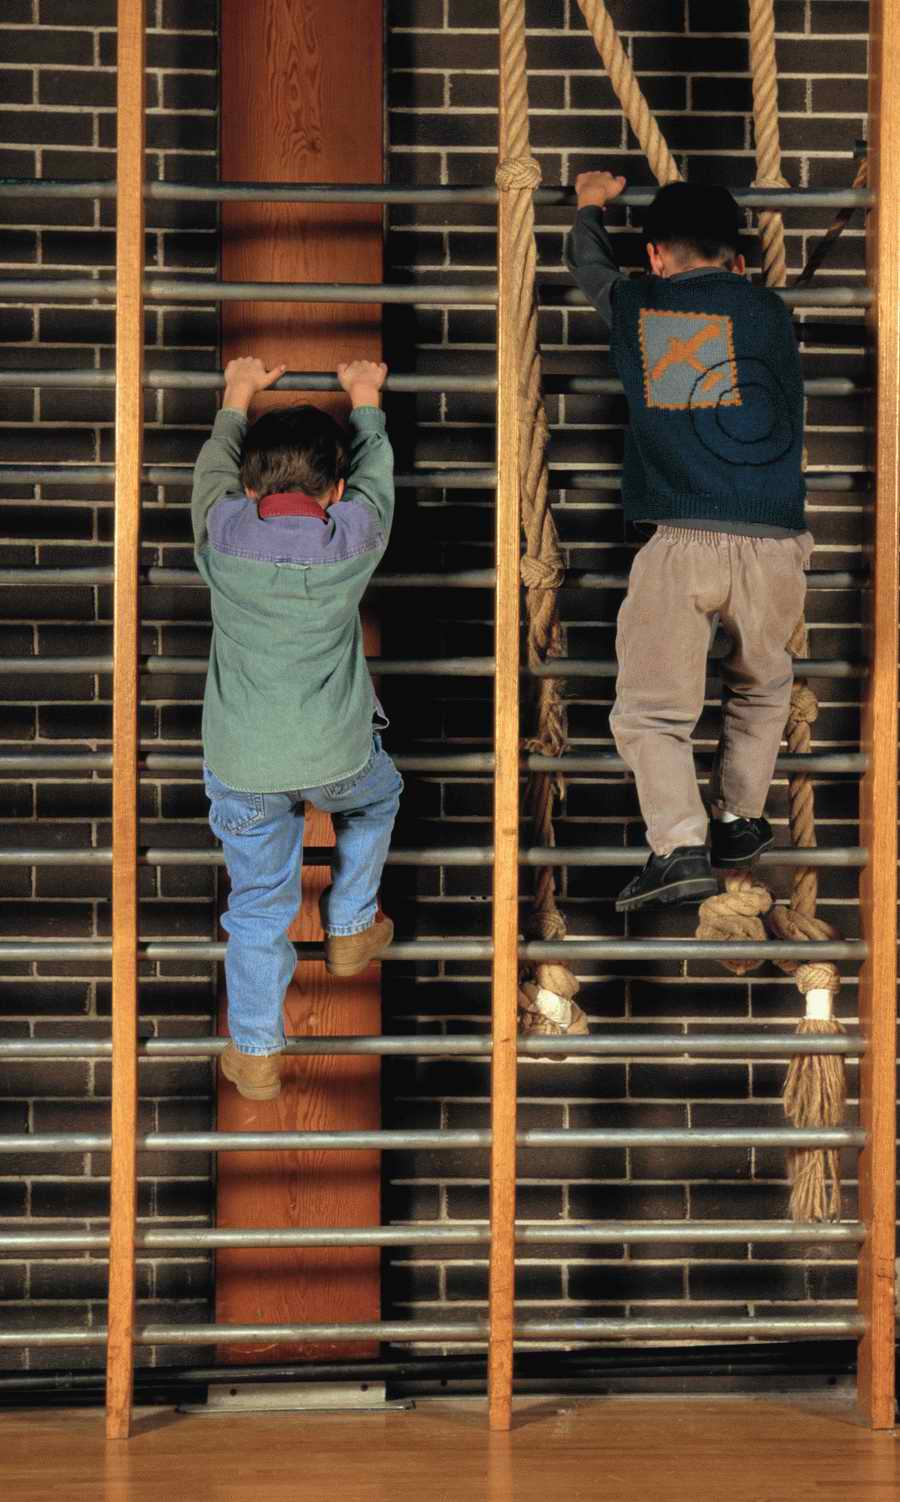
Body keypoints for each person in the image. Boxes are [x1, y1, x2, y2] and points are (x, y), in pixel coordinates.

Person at [567, 175, 813, 912]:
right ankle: (739, 819)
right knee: (762, 686)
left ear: (655, 257)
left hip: (682, 543)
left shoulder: (642, 307)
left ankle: (678, 847)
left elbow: (589, 265)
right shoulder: (771, 312)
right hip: (777, 545)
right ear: (739, 260)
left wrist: (589, 205)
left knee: (653, 710)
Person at [191, 356, 402, 1099]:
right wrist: (366, 400)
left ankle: (254, 1051)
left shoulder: (222, 533)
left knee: (257, 905)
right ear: (336, 492)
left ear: (249, 491)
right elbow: (378, 482)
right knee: (378, 797)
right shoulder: (356, 537)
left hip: (243, 764)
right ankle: (350, 923)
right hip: (337, 755)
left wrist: (236, 396)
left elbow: (211, 474)